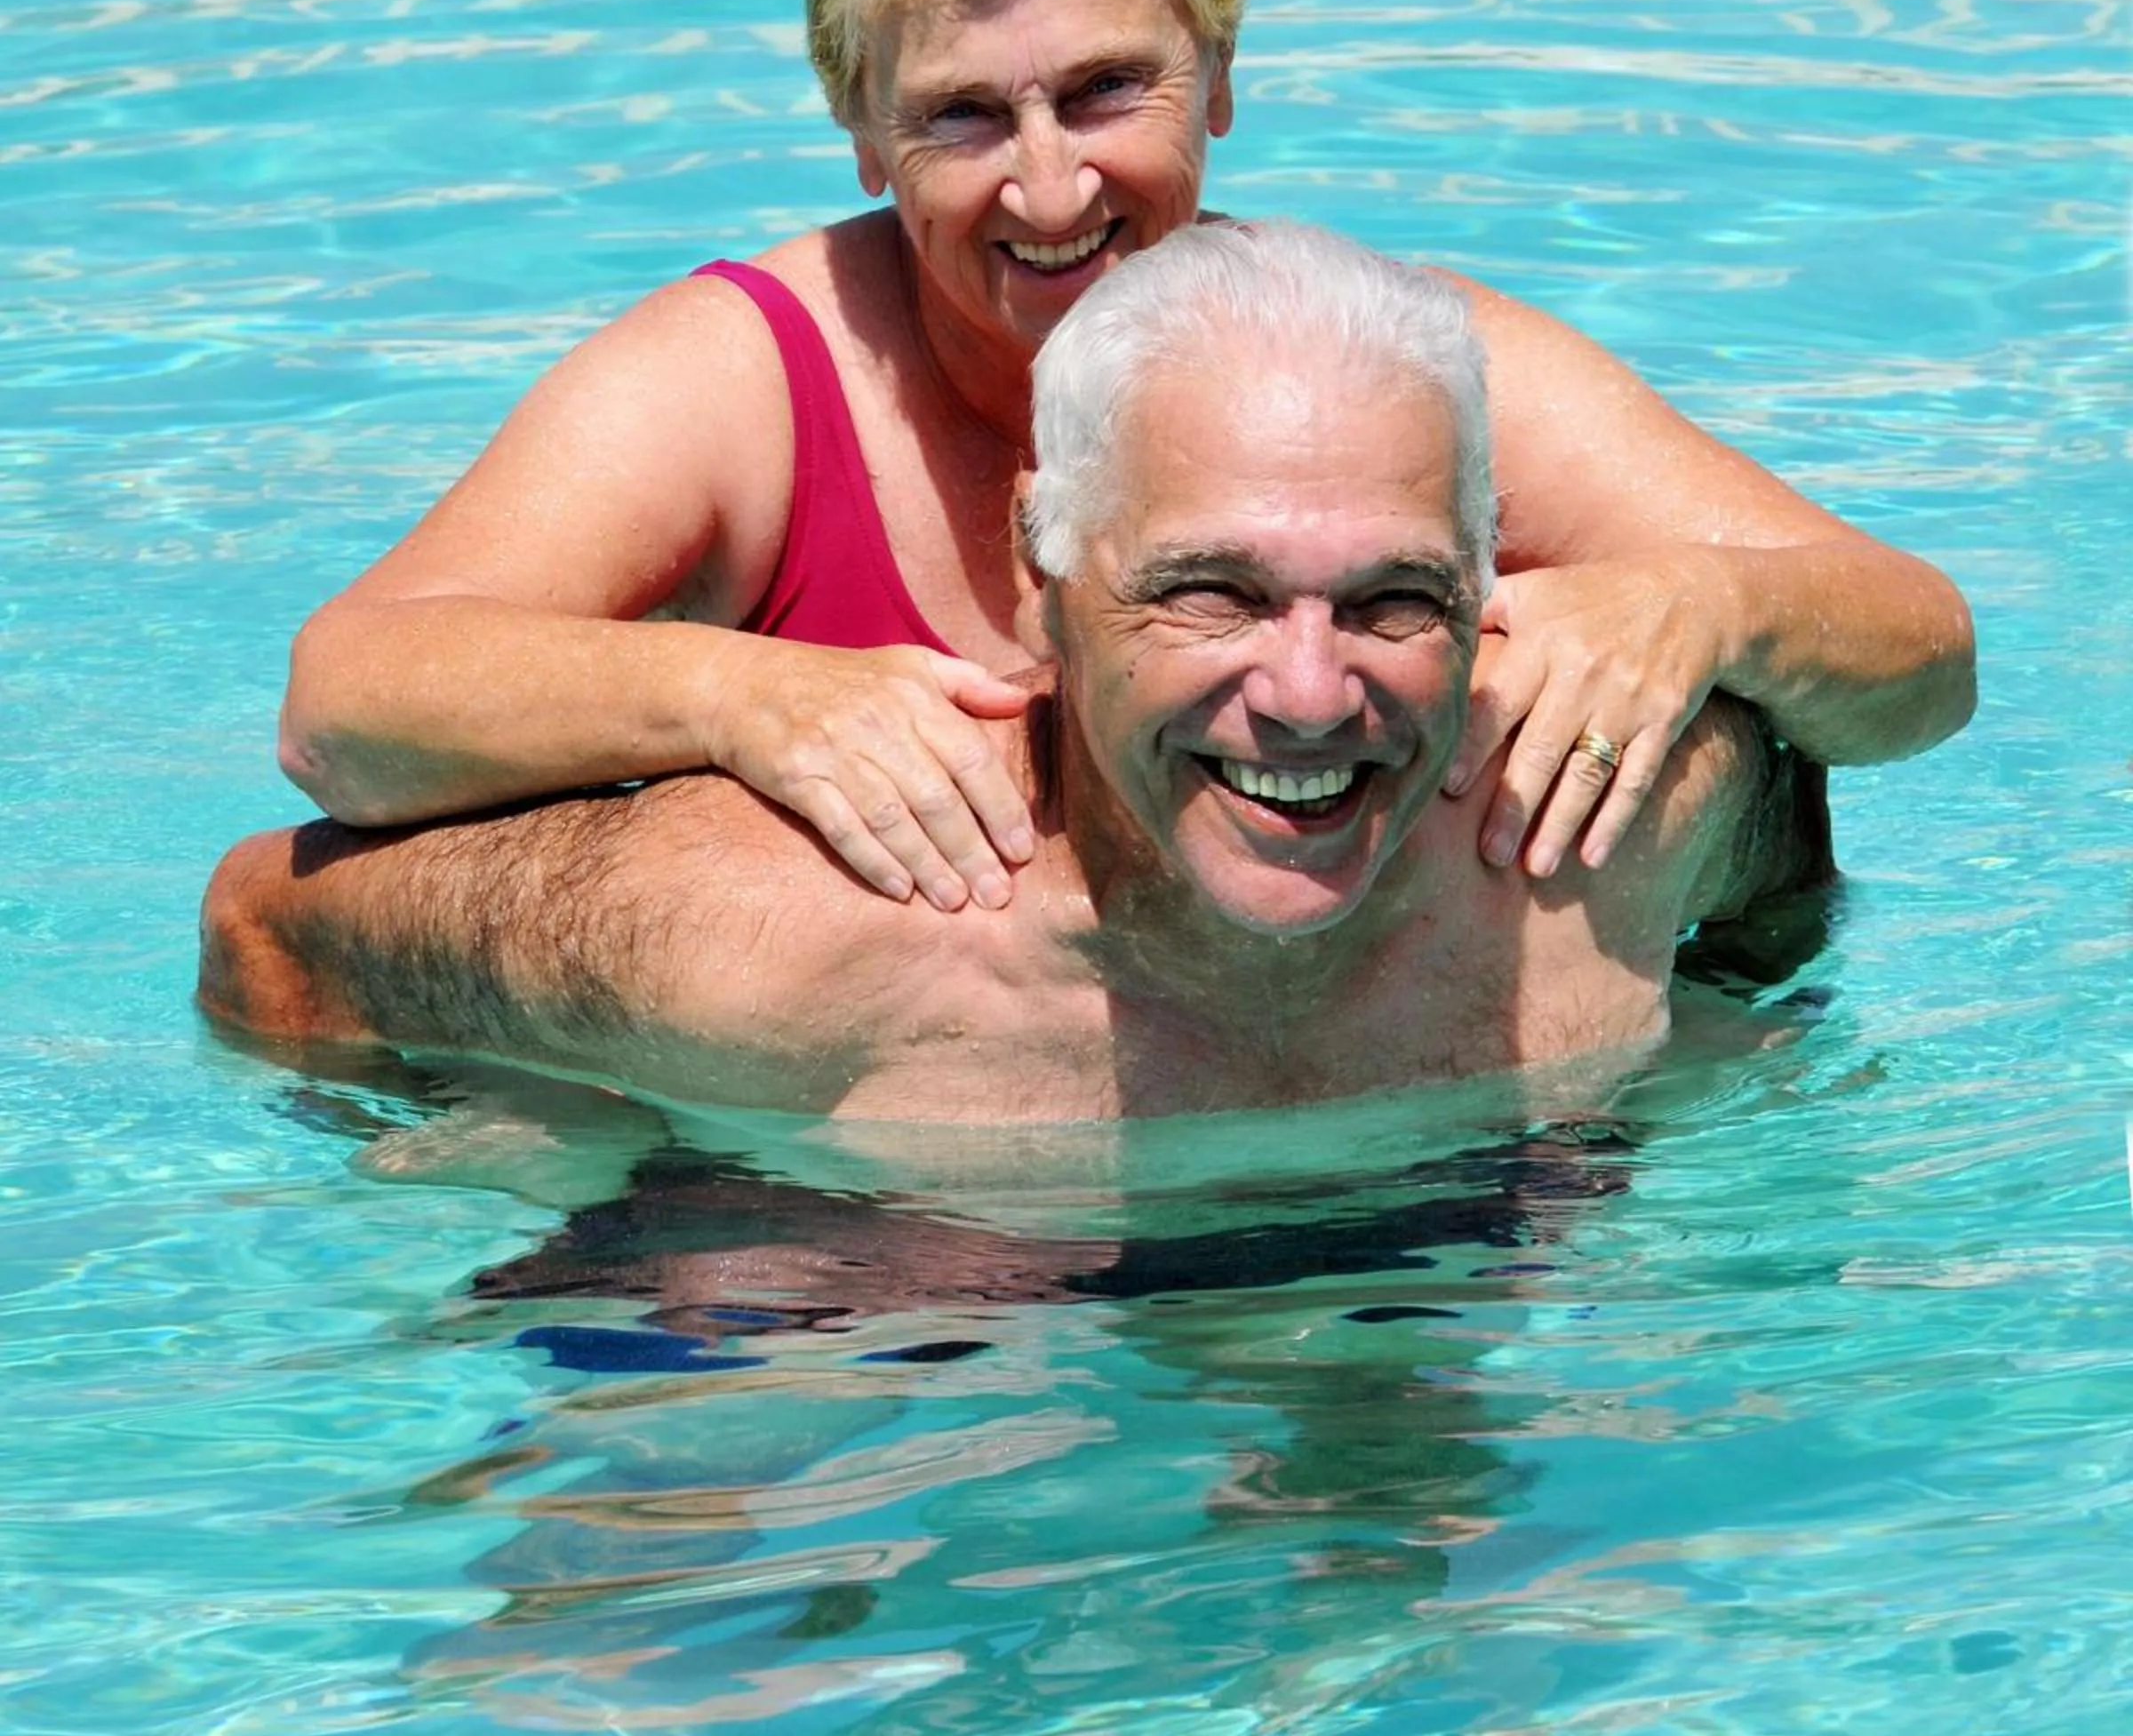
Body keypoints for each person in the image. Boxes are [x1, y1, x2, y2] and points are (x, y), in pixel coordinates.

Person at [274, 0, 1970, 918]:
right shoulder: (754, 385)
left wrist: (1697, 610)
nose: (1048, 189)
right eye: (958, 115)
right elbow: (346, 709)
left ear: (1221, 75)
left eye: (1106, 90)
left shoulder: (1366, 372)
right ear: (855, 126)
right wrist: (745, 702)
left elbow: (1919, 662)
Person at [206, 222, 1833, 1124]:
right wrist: (500, 1163)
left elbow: (1787, 821)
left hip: (1420, 1277)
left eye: (1394, 600)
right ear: (1041, 591)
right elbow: (269, 923)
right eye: (1213, 595)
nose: (1315, 694)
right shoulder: (785, 940)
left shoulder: (1585, 835)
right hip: (833, 1304)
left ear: (1494, 589)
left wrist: (1724, 1025)